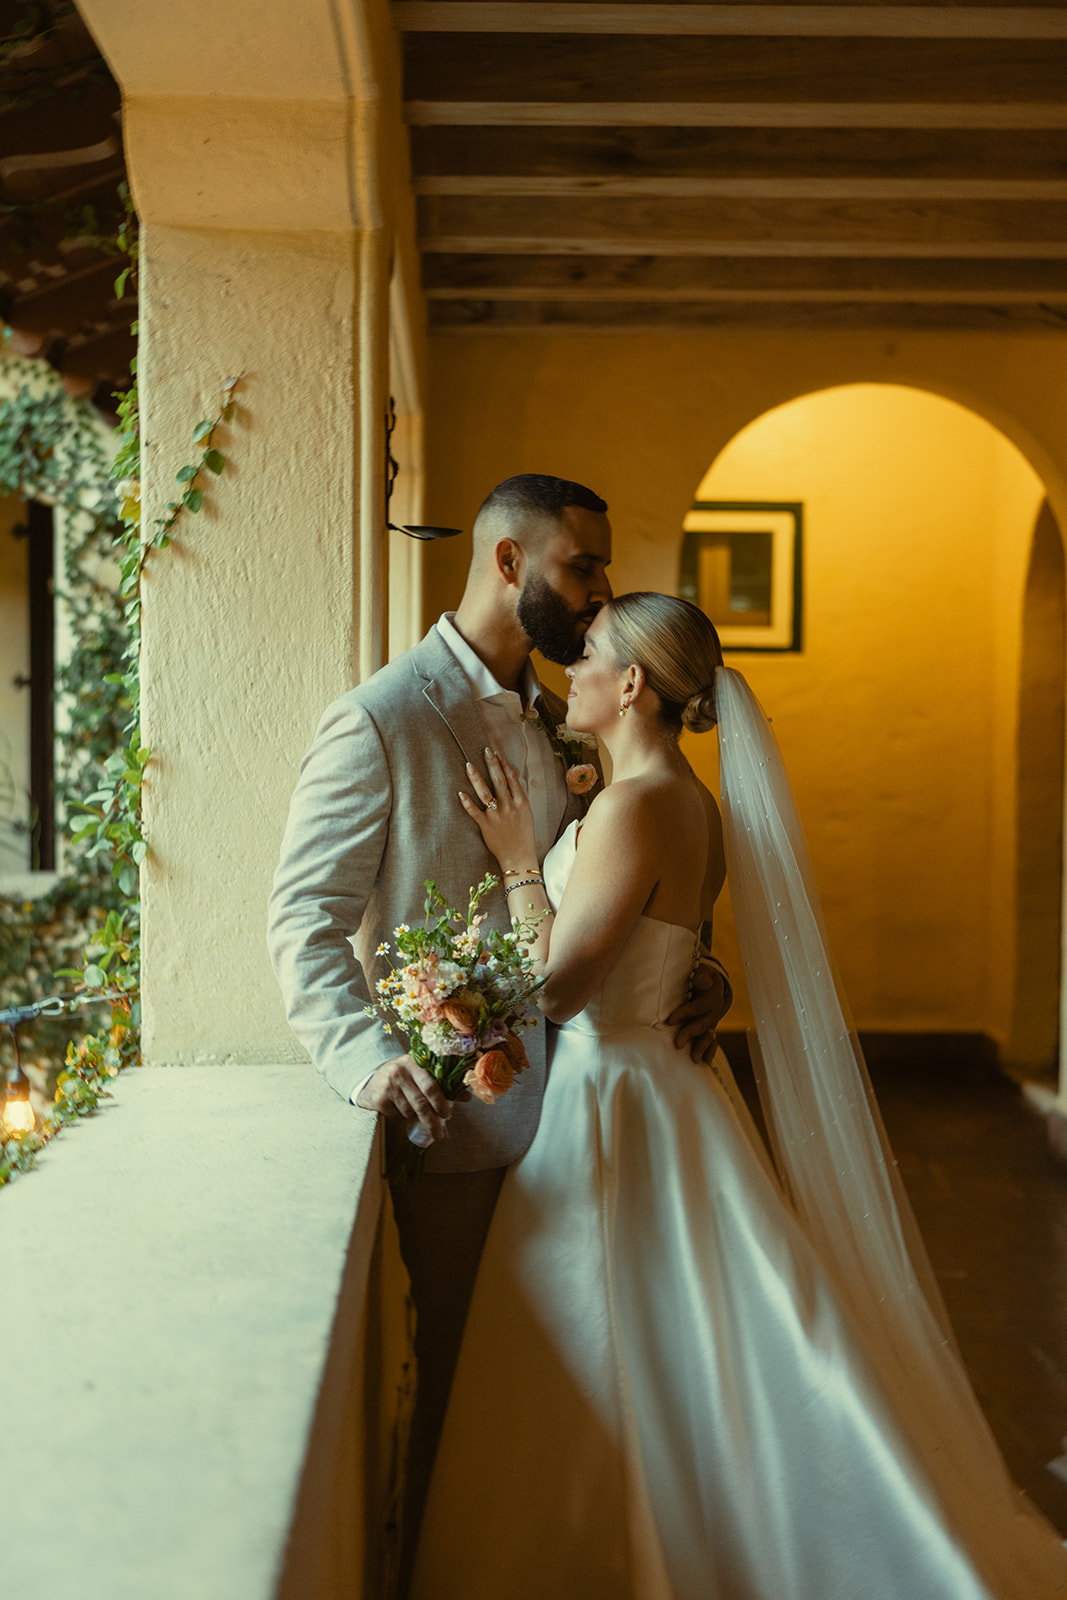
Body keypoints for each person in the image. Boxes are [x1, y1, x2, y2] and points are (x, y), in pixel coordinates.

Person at [410, 592, 1067, 1600]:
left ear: (631, 683)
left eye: (586, 654)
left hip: (616, 1102)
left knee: (631, 1338)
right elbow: (670, 952)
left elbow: (562, 988)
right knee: (683, 1343)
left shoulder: (634, 806)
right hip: (655, 1091)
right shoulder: (677, 799)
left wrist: (513, 864)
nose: (570, 670)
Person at [266, 481, 730, 1582]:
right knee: (475, 1399)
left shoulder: (570, 711)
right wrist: (368, 1061)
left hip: (603, 1117)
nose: (599, 592)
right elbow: (302, 915)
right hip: (472, 1134)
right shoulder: (380, 715)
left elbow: (616, 898)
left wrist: (694, 968)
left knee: (604, 1399)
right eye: (582, 567)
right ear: (511, 564)